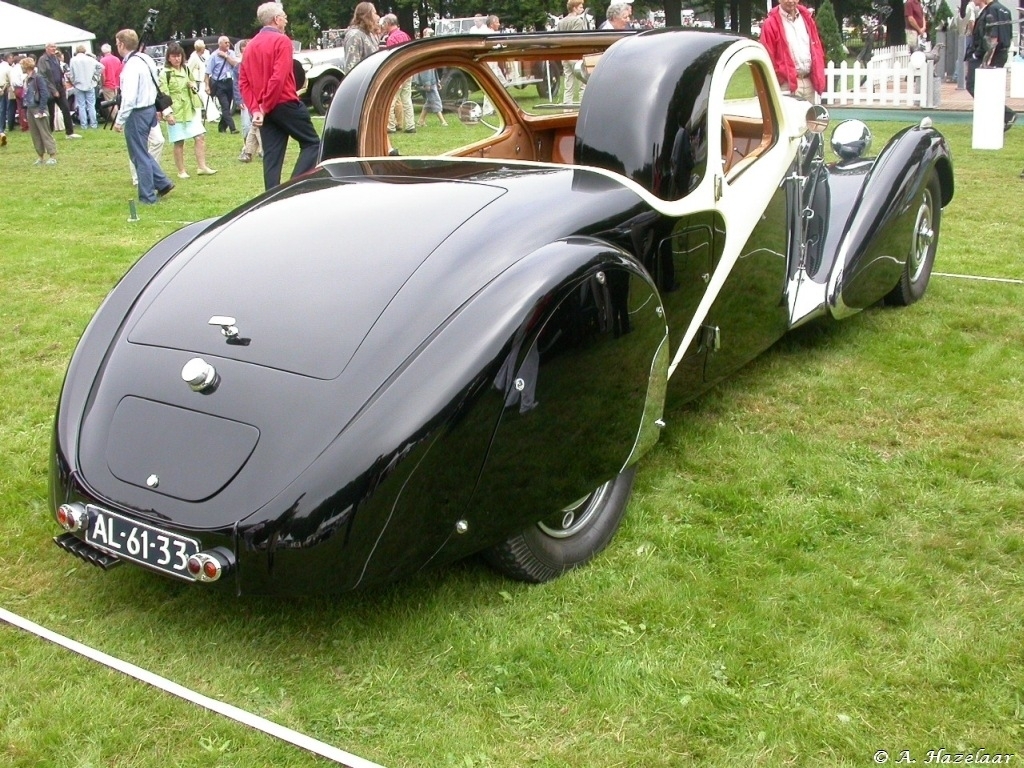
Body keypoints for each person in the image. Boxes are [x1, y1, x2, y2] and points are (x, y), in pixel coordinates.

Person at [239, 2, 321, 190]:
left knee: (272, 157)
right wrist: (264, 106)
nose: (286, 19)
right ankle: (292, 189)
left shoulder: (250, 46)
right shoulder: (282, 41)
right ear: (276, 19)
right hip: (284, 103)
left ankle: (271, 197)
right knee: (313, 144)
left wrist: (256, 109)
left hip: (264, 109)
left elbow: (243, 82)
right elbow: (279, 77)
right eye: (284, 16)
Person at [114, 28, 174, 205]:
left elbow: (129, 97)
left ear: (122, 44)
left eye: (117, 43)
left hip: (137, 112)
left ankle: (147, 196)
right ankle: (162, 182)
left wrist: (120, 120)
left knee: (139, 155)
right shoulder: (145, 58)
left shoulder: (131, 66)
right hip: (149, 109)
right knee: (139, 153)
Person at [162, 42, 217, 179]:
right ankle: (181, 170)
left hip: (190, 110)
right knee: (179, 142)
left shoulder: (186, 70)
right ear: (168, 58)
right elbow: (163, 95)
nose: (177, 59)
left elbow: (193, 86)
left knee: (200, 136)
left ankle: (202, 166)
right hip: (176, 111)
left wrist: (193, 86)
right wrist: (167, 113)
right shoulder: (165, 73)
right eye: (174, 56)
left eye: (179, 56)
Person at [759, 0, 826, 103]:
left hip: (809, 82)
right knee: (788, 119)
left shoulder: (807, 19)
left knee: (808, 119)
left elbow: (816, 49)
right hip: (787, 84)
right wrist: (781, 79)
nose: (790, 1)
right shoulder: (770, 24)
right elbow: (767, 56)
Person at [966, 0, 1015, 131]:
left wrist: (986, 60)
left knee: (974, 85)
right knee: (984, 88)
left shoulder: (992, 10)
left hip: (989, 55)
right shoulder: (1004, 9)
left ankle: (1006, 114)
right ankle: (1003, 115)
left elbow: (993, 37)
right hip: (999, 53)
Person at [37, 43, 79, 138]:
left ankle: (69, 133)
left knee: (66, 108)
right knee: (51, 113)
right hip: (49, 89)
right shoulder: (43, 60)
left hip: (60, 87)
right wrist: (53, 90)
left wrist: (63, 80)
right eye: (52, 47)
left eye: (54, 47)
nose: (54, 49)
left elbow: (59, 71)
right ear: (47, 48)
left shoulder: (55, 58)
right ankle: (49, 134)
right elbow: (42, 76)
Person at [382, 15, 415, 134]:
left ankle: (391, 126)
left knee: (391, 99)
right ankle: (410, 125)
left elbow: (392, 58)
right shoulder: (405, 35)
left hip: (398, 72)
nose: (383, 26)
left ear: (388, 23)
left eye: (384, 23)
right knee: (407, 99)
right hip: (408, 70)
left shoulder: (391, 39)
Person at [21, 57, 58, 165]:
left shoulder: (38, 78)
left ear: (26, 66)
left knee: (45, 132)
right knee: (35, 134)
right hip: (30, 108)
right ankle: (40, 156)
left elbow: (44, 94)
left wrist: (41, 110)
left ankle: (52, 155)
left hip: (38, 107)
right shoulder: (26, 79)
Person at [557, 0, 590, 105]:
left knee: (568, 85)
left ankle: (567, 110)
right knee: (583, 84)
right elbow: (577, 39)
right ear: (574, 8)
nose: (582, 9)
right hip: (576, 56)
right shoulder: (578, 21)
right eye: (580, 7)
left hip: (565, 56)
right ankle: (582, 109)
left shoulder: (561, 22)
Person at [205, 36, 239, 134]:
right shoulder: (213, 56)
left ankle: (221, 127)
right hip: (219, 84)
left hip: (229, 82)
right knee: (225, 106)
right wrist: (207, 86)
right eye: (225, 42)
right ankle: (233, 128)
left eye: (228, 42)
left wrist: (226, 56)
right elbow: (207, 73)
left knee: (228, 107)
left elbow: (235, 64)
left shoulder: (231, 53)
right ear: (220, 44)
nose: (228, 44)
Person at [69, 45, 103, 130]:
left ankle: (84, 125)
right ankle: (93, 124)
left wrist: (73, 81)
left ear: (77, 51)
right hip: (90, 84)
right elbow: (101, 67)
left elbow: (71, 73)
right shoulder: (90, 59)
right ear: (84, 51)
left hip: (78, 84)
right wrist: (95, 76)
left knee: (81, 105)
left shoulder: (73, 60)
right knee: (91, 105)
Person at [342, 2, 380, 77]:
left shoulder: (370, 34)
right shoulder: (355, 36)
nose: (377, 17)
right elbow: (351, 69)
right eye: (374, 13)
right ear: (367, 16)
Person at [187, 40, 210, 120]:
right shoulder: (193, 57)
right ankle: (198, 117)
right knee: (198, 100)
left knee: (206, 98)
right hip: (197, 81)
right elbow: (188, 69)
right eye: (203, 48)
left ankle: (211, 116)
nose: (204, 49)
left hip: (204, 80)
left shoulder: (205, 54)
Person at [0, 52, 11, 145]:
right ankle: (1, 129)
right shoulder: (7, 68)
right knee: (3, 109)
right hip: (3, 89)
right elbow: (9, 80)